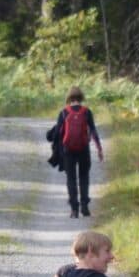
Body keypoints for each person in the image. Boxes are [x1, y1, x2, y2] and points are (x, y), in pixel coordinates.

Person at [47, 87, 104, 218]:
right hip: (84, 149)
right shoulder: (87, 112)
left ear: (69, 98)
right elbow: (93, 131)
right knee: (84, 177)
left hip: (68, 151)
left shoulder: (64, 113)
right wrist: (99, 149)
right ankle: (84, 206)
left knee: (71, 179)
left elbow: (57, 134)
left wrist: (56, 150)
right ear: (81, 98)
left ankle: (74, 209)